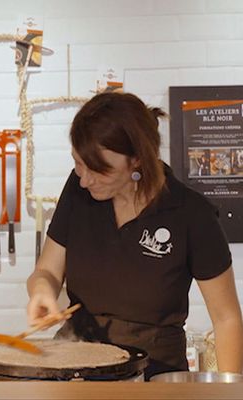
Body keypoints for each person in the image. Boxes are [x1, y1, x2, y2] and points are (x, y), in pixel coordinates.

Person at [26, 91, 243, 379]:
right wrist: (42, 292)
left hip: (155, 374)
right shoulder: (79, 190)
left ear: (138, 160)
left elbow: (226, 318)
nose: (84, 178)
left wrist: (229, 390)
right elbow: (47, 271)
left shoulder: (191, 213)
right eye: (78, 163)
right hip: (76, 366)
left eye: (99, 170)